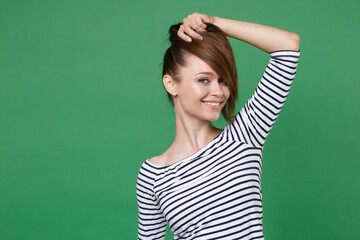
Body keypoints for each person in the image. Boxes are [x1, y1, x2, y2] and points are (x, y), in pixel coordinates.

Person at [136, 12, 300, 240]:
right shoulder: (152, 175)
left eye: (223, 80)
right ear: (171, 84)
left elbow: (288, 47)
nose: (218, 91)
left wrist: (214, 23)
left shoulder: (245, 136)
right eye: (204, 79)